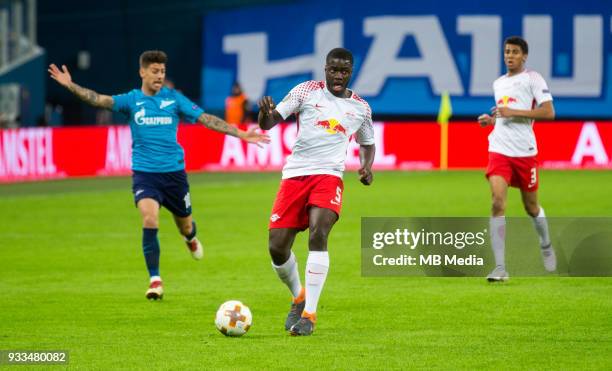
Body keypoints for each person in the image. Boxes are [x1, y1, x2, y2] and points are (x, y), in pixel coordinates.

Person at [48, 50, 269, 299]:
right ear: (142, 72)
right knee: (149, 219)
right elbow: (99, 99)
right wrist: (71, 86)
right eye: (154, 71)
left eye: (162, 71)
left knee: (185, 225)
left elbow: (205, 118)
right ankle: (155, 280)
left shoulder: (174, 99)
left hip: (174, 175)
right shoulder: (131, 100)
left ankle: (191, 237)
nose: (159, 76)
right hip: (145, 174)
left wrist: (239, 133)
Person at [258, 47, 375, 335]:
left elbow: (368, 142)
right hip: (295, 174)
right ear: (325, 69)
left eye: (344, 71)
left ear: (351, 72)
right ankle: (298, 296)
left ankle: (309, 314)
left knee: (318, 233)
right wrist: (264, 114)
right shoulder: (306, 91)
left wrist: (366, 166)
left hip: (329, 176)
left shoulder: (361, 107)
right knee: (277, 246)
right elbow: (271, 122)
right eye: (333, 69)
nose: (338, 75)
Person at [477, 36, 557, 282]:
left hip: (525, 152)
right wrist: (492, 121)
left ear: (524, 56)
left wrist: (513, 112)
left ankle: (545, 245)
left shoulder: (533, 78)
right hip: (499, 148)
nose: (509, 56)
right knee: (497, 203)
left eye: (514, 52)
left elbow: (548, 112)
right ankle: (500, 268)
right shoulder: (498, 83)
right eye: (506, 52)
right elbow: (504, 113)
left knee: (531, 207)